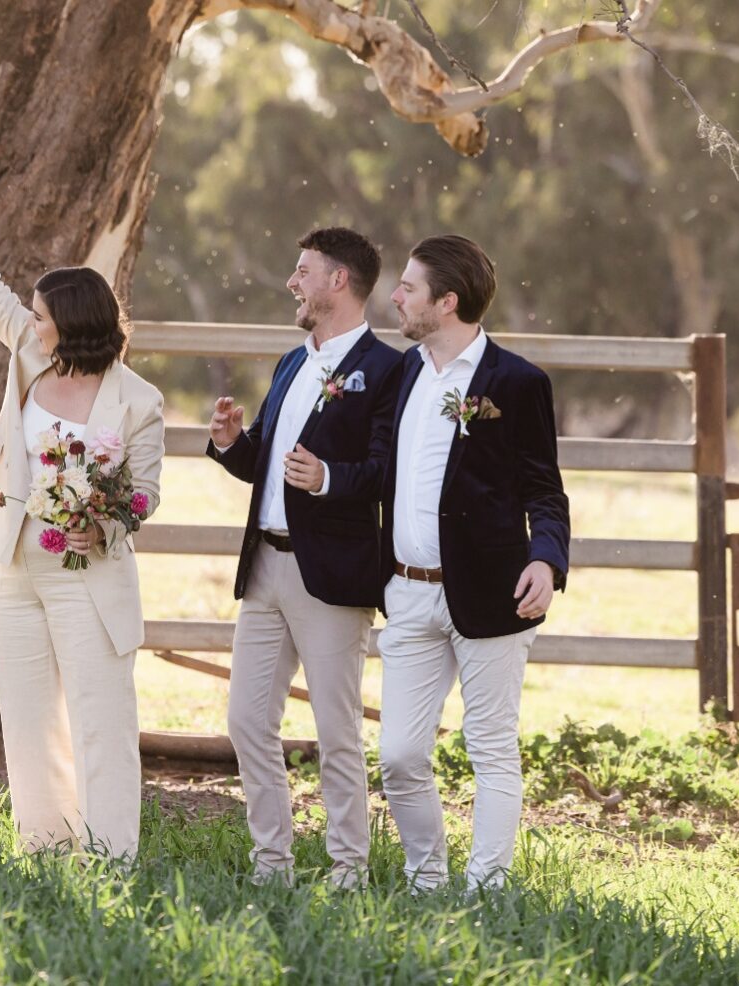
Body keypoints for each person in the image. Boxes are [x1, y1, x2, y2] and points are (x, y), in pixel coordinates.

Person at [0, 151, 164, 858]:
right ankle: (46, 847)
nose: (31, 320)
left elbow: (145, 491)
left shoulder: (139, 400)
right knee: (27, 716)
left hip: (90, 574)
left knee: (101, 720)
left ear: (72, 323)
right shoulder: (27, 352)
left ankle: (111, 856)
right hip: (15, 564)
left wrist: (102, 526)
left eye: (42, 315)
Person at [206, 227, 404, 889]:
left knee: (336, 730)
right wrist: (234, 443)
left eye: (303, 271)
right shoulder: (291, 363)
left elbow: (386, 471)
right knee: (246, 722)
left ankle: (349, 870)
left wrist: (328, 478)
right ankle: (272, 865)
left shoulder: (387, 369)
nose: (292, 282)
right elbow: (266, 459)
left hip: (333, 575)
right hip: (264, 567)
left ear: (338, 280)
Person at [376, 234, 569, 893]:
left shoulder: (517, 383)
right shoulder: (404, 373)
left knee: (490, 746)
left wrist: (546, 561)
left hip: (492, 592)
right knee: (400, 755)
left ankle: (486, 892)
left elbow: (544, 490)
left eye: (408, 287)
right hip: (407, 593)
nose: (395, 296)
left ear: (447, 301)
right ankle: (426, 879)